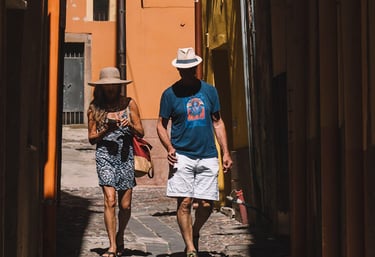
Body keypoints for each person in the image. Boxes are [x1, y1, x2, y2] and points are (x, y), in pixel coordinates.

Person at [157, 47, 233, 257]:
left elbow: (217, 122)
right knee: (185, 202)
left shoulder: (209, 91)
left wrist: (225, 152)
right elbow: (160, 125)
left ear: (195, 68)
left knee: (207, 204)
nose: (187, 71)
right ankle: (190, 247)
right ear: (179, 70)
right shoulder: (169, 94)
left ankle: (195, 231)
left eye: (190, 68)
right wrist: (169, 147)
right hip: (182, 154)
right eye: (184, 68)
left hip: (208, 154)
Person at [87, 67, 144, 257]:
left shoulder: (129, 104)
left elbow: (141, 131)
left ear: (118, 86)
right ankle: (112, 245)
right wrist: (106, 130)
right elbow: (92, 138)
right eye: (107, 86)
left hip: (125, 155)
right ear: (101, 88)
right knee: (110, 200)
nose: (110, 89)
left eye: (113, 85)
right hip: (105, 155)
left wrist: (131, 126)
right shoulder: (94, 108)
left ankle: (120, 235)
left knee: (125, 205)